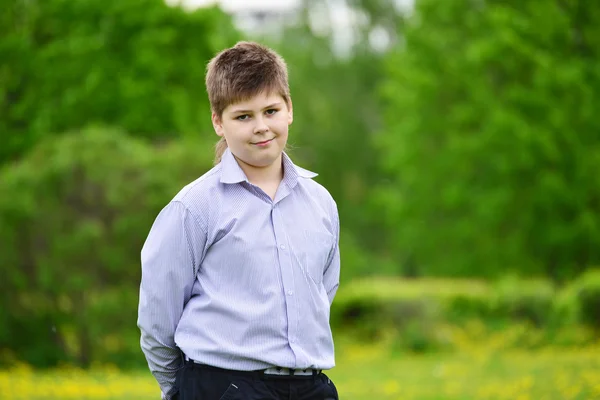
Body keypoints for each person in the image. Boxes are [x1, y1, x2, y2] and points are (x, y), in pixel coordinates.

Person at [137, 41, 341, 400]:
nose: (261, 127)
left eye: (271, 111)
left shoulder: (320, 203)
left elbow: (323, 290)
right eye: (243, 116)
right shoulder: (196, 206)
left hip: (311, 387)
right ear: (219, 122)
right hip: (223, 387)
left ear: (289, 109)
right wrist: (183, 389)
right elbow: (158, 315)